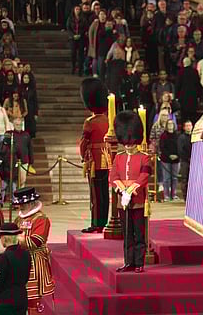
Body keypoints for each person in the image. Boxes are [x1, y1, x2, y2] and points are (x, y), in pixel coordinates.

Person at [110, 111, 151, 273]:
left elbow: (145, 175)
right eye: (126, 142)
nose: (128, 145)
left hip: (138, 199)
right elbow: (113, 175)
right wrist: (121, 189)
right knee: (127, 234)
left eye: (131, 142)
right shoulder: (119, 157)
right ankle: (129, 262)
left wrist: (131, 190)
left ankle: (139, 262)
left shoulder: (144, 157)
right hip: (123, 200)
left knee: (139, 233)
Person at [14, 187, 55, 314]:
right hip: (20, 260)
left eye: (23, 204)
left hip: (35, 262)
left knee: (34, 298)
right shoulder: (19, 219)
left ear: (31, 203)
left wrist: (16, 239)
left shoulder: (41, 219)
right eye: (19, 204)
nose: (20, 207)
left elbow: (35, 242)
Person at [79, 78, 109, 233]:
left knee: (96, 196)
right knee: (104, 193)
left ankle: (97, 223)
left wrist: (83, 157)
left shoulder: (90, 121)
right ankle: (105, 221)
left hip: (94, 162)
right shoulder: (109, 120)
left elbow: (84, 142)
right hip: (107, 160)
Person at [0, 222, 31, 315]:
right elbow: (26, 278)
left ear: (4, 238)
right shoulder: (26, 254)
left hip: (6, 302)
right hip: (22, 298)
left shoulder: (3, 257)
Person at [159, 119, 179, 201]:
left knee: (174, 178)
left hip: (176, 159)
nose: (170, 125)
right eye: (169, 124)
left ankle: (173, 194)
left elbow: (179, 146)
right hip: (166, 159)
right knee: (166, 178)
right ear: (166, 125)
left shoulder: (177, 135)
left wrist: (177, 155)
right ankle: (166, 195)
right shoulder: (163, 135)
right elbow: (162, 147)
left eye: (172, 124)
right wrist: (169, 155)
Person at [177, 120, 192, 201]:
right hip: (185, 161)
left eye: (190, 125)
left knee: (192, 179)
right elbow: (180, 150)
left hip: (193, 161)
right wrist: (187, 158)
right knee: (184, 179)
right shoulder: (181, 137)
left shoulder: (194, 136)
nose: (189, 127)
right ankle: (185, 197)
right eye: (187, 126)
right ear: (184, 127)